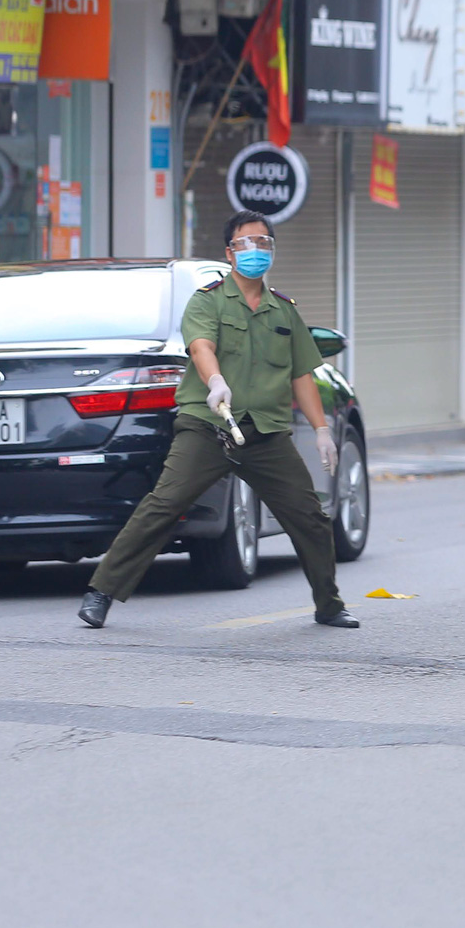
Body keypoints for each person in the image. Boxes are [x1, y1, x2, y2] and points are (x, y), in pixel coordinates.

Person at [78, 212, 356, 630]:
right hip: (209, 427)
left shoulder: (284, 311)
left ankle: (329, 604)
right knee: (163, 505)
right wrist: (216, 381)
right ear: (229, 253)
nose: (256, 251)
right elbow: (201, 345)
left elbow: (302, 375)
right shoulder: (207, 300)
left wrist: (321, 431)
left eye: (264, 243)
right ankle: (101, 593)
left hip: (265, 434)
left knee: (310, 516)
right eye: (246, 244)